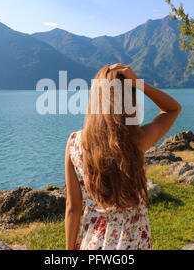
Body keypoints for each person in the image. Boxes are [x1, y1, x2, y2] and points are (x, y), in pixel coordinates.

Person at [65, 63, 181, 250]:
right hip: (132, 241)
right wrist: (138, 83)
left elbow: (72, 206)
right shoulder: (135, 141)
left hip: (93, 242)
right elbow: (172, 109)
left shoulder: (74, 143)